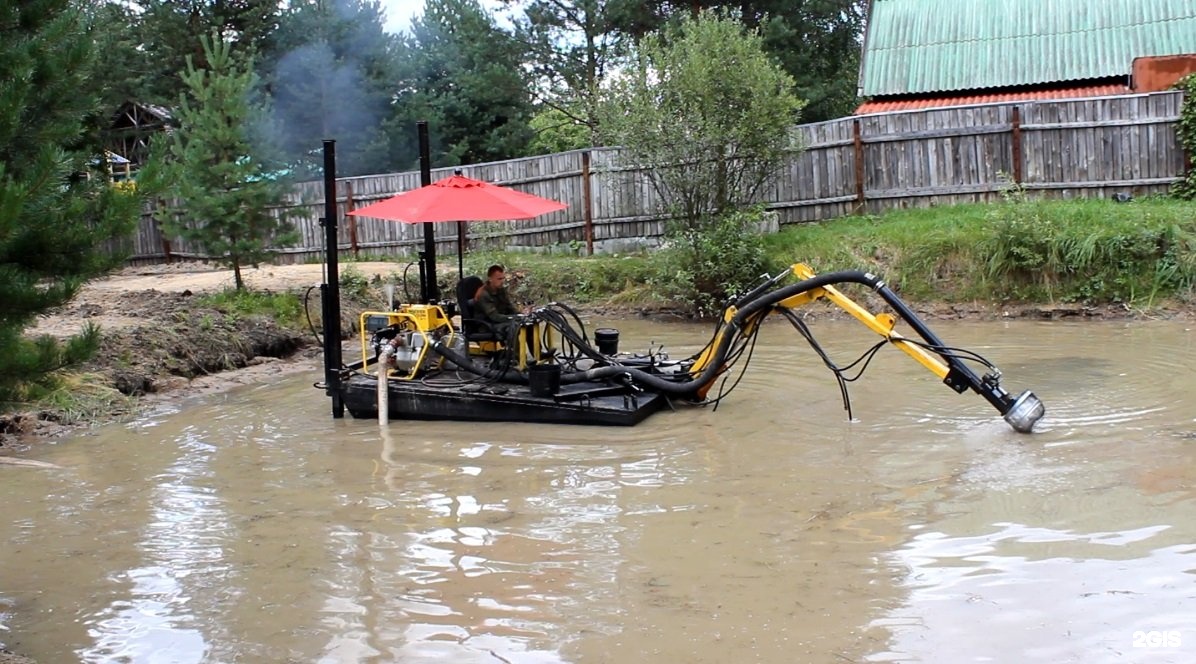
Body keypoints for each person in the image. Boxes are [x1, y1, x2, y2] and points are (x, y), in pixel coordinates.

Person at [475, 264, 522, 337]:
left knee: (527, 324)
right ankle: (513, 348)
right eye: (499, 279)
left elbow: (509, 307)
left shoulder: (500, 290)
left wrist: (521, 315)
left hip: (499, 321)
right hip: (487, 325)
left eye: (503, 278)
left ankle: (536, 348)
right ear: (490, 279)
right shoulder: (483, 294)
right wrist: (514, 318)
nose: (502, 281)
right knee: (513, 327)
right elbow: (495, 317)